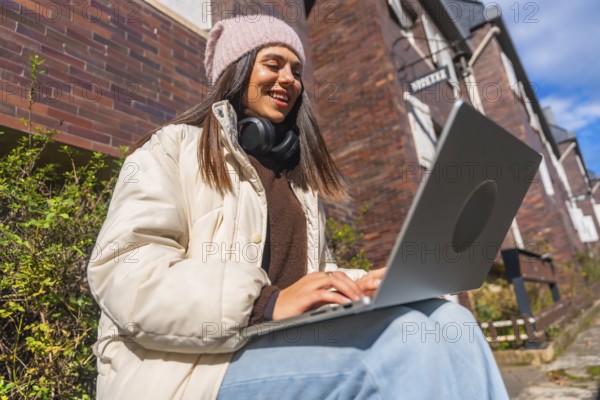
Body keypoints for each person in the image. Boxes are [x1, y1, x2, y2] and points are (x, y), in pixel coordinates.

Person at [88, 15, 509, 400]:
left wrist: (359, 286)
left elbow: (311, 280)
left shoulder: (299, 184)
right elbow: (126, 273)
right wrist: (263, 303)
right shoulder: (171, 149)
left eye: (296, 70)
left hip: (283, 345)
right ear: (236, 71)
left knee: (451, 323)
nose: (288, 79)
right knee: (402, 346)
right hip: (185, 371)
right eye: (273, 64)